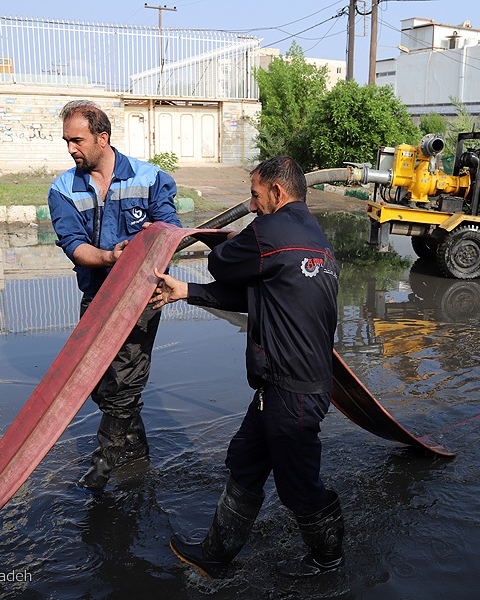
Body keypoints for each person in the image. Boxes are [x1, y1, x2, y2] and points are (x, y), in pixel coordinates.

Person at [151, 156, 343, 579]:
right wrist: (186, 291)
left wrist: (214, 240)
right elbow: (261, 300)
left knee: (298, 486)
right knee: (246, 461)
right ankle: (217, 554)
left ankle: (330, 560)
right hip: (290, 385)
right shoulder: (316, 240)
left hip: (292, 390)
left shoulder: (271, 231)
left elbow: (223, 264)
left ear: (277, 192)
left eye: (255, 196)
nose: (252, 205)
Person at [48, 100, 181, 494]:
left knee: (124, 382)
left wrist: (147, 259)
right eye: (66, 141)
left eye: (77, 140)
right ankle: (137, 455)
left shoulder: (151, 178)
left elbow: (168, 230)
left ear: (102, 138)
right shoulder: (63, 188)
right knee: (95, 383)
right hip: (98, 298)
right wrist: (109, 257)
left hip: (142, 297)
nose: (71, 148)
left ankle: (102, 467)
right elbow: (72, 243)